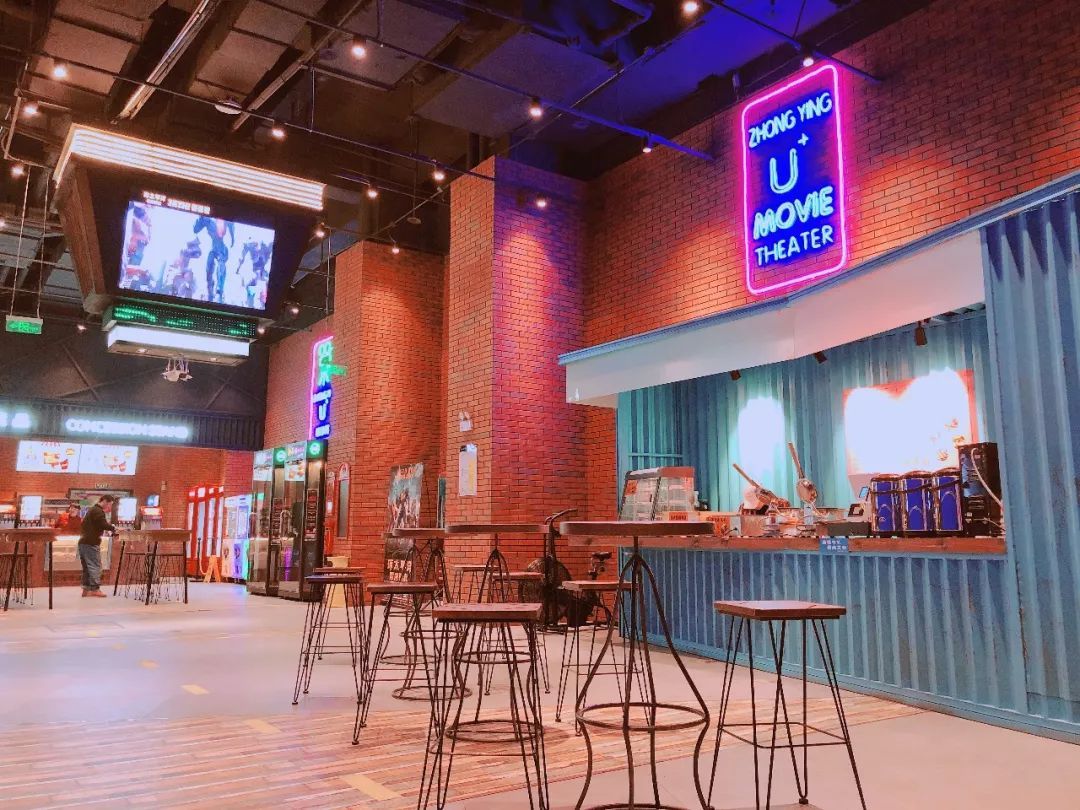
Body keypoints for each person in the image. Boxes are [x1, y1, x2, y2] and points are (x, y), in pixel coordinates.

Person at [78, 495, 116, 598]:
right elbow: (103, 524)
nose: (110, 507)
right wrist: (113, 528)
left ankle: (86, 590)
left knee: (87, 567)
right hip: (91, 542)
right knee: (95, 566)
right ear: (105, 501)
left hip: (84, 542)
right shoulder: (98, 511)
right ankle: (95, 589)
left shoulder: (92, 510)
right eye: (110, 504)